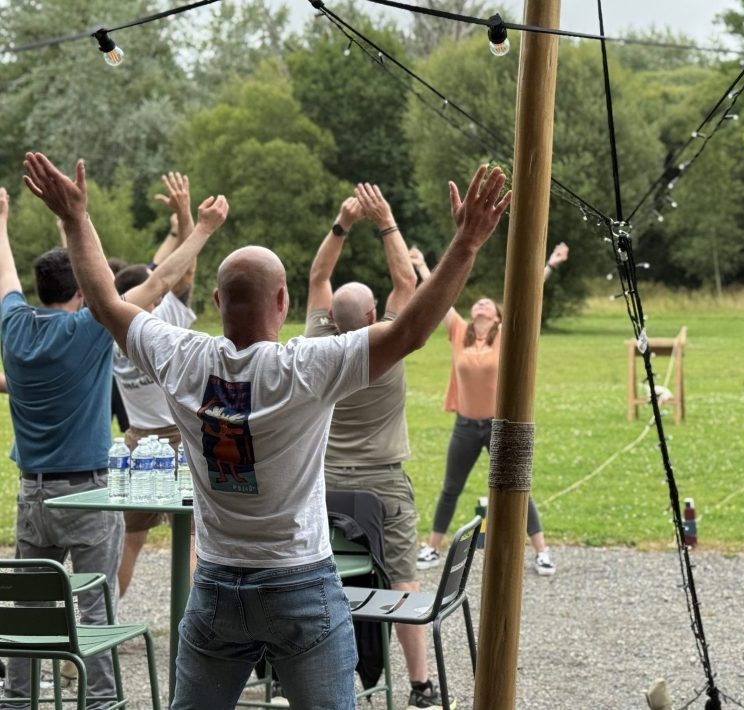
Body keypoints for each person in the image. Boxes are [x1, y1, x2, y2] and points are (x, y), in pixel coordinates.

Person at [23, 151, 512, 709]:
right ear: (282, 303)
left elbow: (107, 302)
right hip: (299, 585)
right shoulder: (306, 367)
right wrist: (467, 243)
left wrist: (74, 218)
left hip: (214, 589)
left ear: (215, 302)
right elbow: (412, 330)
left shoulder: (183, 358)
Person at [0, 179, 225, 709]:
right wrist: (206, 229)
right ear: (81, 291)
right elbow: (163, 278)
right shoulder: (89, 328)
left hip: (31, 498)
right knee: (97, 613)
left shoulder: (13, 327)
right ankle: (101, 701)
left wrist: (2, 219)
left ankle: (16, 700)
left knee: (29, 617)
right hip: (87, 495)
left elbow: (3, 272)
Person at [305, 182, 446, 708]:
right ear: (371, 318)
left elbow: (319, 276)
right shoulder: (384, 346)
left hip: (321, 485)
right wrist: (385, 220)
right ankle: (419, 685)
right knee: (404, 580)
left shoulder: (317, 347)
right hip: (381, 484)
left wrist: (341, 224)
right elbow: (405, 280)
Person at [414, 241, 569, 576]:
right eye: (477, 303)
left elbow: (527, 295)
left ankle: (542, 552)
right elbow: (438, 295)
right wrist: (421, 266)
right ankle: (431, 548)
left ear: (498, 316)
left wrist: (551, 264)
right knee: (450, 487)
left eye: (488, 303)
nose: (481, 304)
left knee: (517, 485)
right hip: (466, 426)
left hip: (503, 424)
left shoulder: (505, 336)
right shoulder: (459, 332)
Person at [114, 171, 204, 597]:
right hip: (175, 443)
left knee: (129, 541)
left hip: (134, 443)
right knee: (192, 541)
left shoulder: (108, 327)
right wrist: (187, 215)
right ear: (149, 296)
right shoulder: (163, 319)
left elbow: (164, 274)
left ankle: (103, 620)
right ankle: (198, 631)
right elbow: (181, 273)